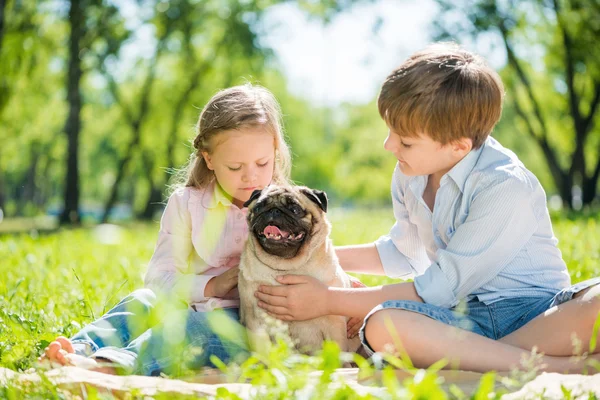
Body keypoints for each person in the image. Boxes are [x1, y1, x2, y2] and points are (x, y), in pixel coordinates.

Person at [255, 43, 600, 373]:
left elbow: (437, 288)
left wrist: (329, 299)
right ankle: (510, 358)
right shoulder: (412, 172)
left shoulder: (504, 185)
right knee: (382, 324)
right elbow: (405, 254)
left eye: (405, 140)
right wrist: (316, 257)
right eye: (391, 131)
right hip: (463, 319)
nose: (389, 146)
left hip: (536, 315)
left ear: (457, 146)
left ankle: (500, 359)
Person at [40, 83, 292, 375]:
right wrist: (212, 286)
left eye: (262, 163)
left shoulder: (287, 209)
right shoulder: (188, 204)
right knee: (142, 301)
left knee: (190, 328)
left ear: (275, 151)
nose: (251, 177)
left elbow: (313, 262)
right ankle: (77, 349)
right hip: (186, 305)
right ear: (209, 159)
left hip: (246, 328)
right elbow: (159, 278)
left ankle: (109, 367)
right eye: (235, 167)